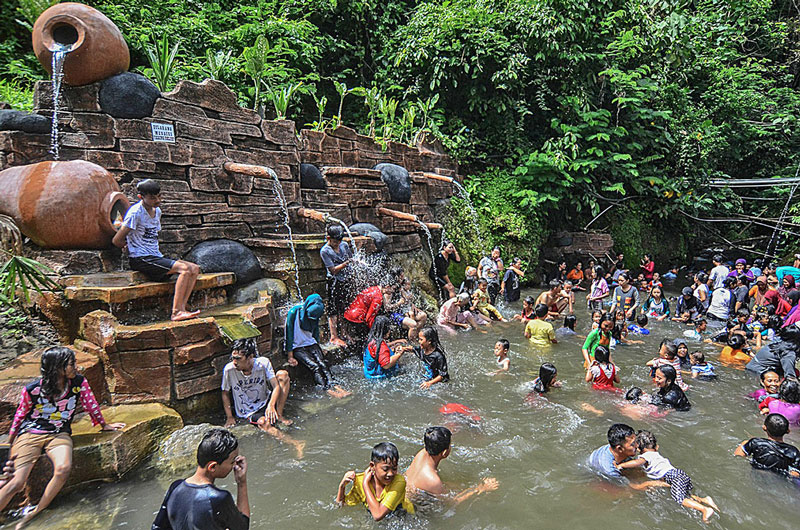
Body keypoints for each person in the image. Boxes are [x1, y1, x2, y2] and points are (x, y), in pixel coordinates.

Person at [0, 347, 125, 527]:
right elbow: (20, 415)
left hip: (59, 434)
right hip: (30, 434)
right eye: (71, 363)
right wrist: (10, 442)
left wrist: (104, 425)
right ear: (57, 367)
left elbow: (90, 403)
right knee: (17, 482)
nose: (76, 367)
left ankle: (36, 511)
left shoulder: (78, 383)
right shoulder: (33, 389)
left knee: (63, 468)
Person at [112, 179, 201, 322]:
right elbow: (117, 240)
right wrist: (128, 248)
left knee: (194, 268)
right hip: (141, 258)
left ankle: (183, 307)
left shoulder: (157, 211)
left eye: (159, 196)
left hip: (154, 256)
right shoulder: (135, 213)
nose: (157, 200)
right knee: (184, 269)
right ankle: (176, 312)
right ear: (141, 197)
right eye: (153, 198)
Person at [152, 428, 249, 530]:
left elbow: (157, 527)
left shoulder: (175, 487)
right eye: (232, 461)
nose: (234, 465)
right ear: (212, 467)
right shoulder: (218, 498)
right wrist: (242, 483)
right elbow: (242, 527)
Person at [221, 338, 303, 458]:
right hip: (249, 410)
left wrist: (271, 405)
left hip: (265, 400)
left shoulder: (263, 363)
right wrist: (229, 417)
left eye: (238, 358)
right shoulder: (229, 370)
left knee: (283, 375)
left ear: (250, 357)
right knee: (263, 422)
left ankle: (279, 414)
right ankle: (295, 443)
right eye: (233, 358)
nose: (234, 361)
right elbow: (225, 393)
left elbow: (276, 386)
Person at [616, 431, 717, 522]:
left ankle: (704, 509)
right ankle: (704, 500)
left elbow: (637, 462)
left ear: (638, 448)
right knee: (686, 496)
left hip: (673, 477)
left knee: (680, 499)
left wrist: (621, 465)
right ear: (657, 447)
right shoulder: (656, 454)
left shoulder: (646, 456)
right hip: (679, 474)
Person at [405, 427, 499, 503]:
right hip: (409, 509)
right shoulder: (433, 480)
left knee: (456, 487)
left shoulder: (421, 453)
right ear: (445, 452)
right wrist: (480, 488)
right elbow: (452, 503)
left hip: (406, 492)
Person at [285, 294, 350, 398]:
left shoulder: (316, 313)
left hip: (311, 343)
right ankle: (327, 389)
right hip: (297, 347)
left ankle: (336, 386)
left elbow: (315, 332)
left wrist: (319, 347)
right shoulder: (294, 313)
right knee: (314, 366)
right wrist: (290, 356)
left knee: (323, 363)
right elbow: (288, 334)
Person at [336, 442, 415, 520]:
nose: (390, 474)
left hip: (403, 516)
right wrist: (342, 486)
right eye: (385, 469)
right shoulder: (360, 481)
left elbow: (378, 515)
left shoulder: (399, 482)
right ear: (372, 466)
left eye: (394, 468)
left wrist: (365, 485)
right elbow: (342, 506)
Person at [587, 423, 661, 489]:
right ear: (619, 448)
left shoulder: (614, 448)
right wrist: (649, 483)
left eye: (636, 441)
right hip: (597, 475)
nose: (637, 445)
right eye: (632, 444)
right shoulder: (610, 470)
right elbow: (634, 487)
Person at [319, 225, 354, 347]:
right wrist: (345, 264)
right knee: (333, 309)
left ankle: (344, 333)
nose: (337, 244)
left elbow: (351, 258)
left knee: (344, 307)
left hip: (345, 280)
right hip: (334, 281)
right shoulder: (325, 251)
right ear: (329, 238)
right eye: (335, 242)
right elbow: (333, 270)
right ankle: (334, 336)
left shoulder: (343, 245)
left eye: (339, 242)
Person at [734, 413, 800, 477]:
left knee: (745, 442)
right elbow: (795, 474)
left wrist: (746, 443)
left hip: (756, 474)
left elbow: (738, 455)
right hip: (778, 478)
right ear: (788, 431)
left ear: (764, 428)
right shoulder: (793, 451)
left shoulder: (756, 443)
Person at [363, 315, 406, 380]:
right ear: (385, 330)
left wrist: (395, 346)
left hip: (370, 375)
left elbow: (380, 350)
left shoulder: (371, 340)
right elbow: (386, 365)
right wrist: (399, 353)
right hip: (381, 378)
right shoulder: (380, 345)